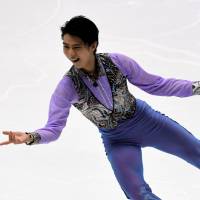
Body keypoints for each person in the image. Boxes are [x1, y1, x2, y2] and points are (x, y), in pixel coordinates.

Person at [0, 15, 200, 200]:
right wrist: (30, 137)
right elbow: (53, 128)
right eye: (66, 46)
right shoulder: (67, 87)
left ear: (93, 45)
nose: (70, 53)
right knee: (138, 194)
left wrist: (196, 87)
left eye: (76, 47)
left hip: (147, 122)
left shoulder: (118, 62)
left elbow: (157, 85)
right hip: (118, 140)